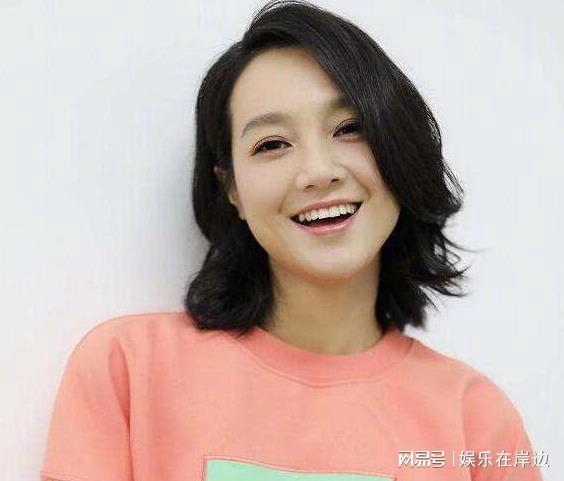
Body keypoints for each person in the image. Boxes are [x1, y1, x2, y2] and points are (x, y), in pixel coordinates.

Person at [40, 1, 544, 480]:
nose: (318, 172)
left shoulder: (476, 422)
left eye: (349, 128)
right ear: (230, 187)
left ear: (398, 147)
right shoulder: (129, 370)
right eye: (272, 144)